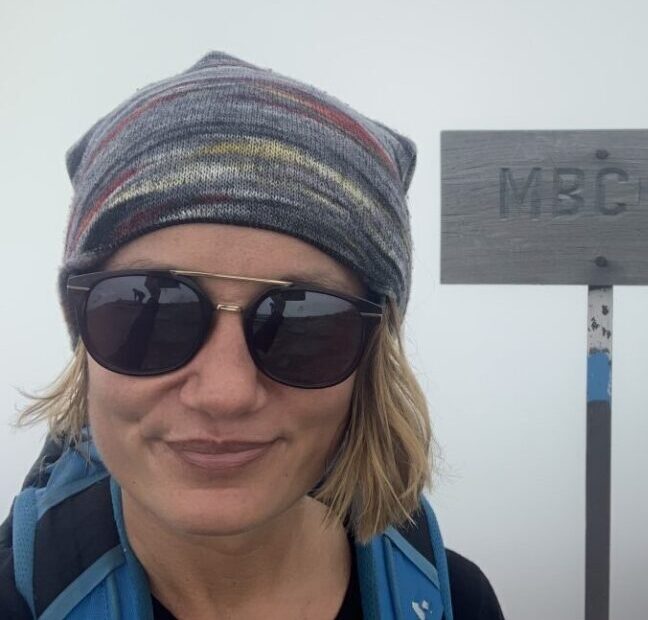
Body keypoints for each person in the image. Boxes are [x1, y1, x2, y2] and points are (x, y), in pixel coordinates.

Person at [0, 51, 505, 619]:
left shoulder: (457, 602)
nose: (226, 392)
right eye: (152, 315)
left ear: (372, 361)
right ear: (83, 338)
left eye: (301, 322)